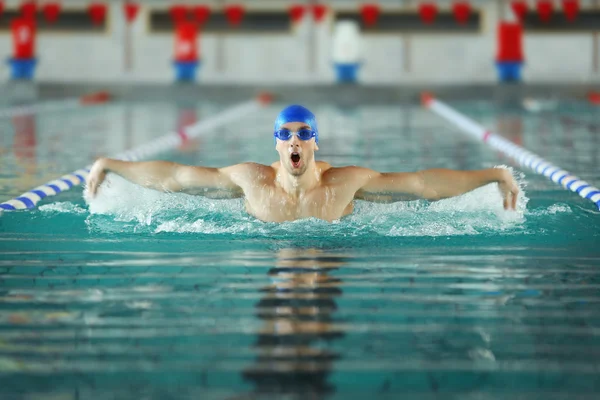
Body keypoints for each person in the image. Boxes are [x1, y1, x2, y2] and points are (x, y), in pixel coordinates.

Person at [86, 105, 519, 223]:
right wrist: (112, 163)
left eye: (303, 134)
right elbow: (178, 177)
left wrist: (493, 175)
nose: (295, 141)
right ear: (276, 145)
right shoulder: (251, 180)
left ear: (315, 142)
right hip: (271, 267)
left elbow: (423, 184)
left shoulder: (345, 181)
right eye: (286, 135)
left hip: (331, 265)